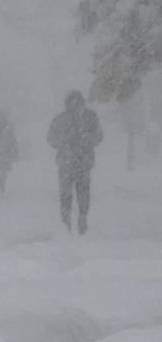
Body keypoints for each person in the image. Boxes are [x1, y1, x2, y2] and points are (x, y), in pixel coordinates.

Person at [47, 90, 103, 234]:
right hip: (69, 164)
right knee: (67, 196)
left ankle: (80, 221)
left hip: (81, 163)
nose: (75, 105)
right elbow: (51, 139)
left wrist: (86, 139)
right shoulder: (62, 119)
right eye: (72, 102)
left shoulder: (89, 117)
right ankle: (66, 224)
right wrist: (65, 141)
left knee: (82, 196)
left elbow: (98, 136)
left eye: (77, 103)